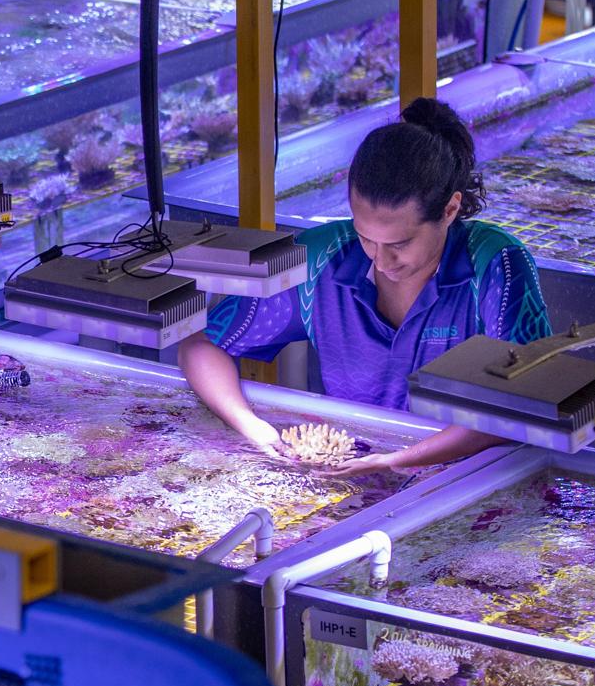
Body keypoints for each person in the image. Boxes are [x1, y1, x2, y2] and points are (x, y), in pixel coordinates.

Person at [178, 97, 552, 477]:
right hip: (349, 472)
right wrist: (252, 426)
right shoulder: (321, 258)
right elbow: (202, 344)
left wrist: (397, 460)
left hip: (465, 482)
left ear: (450, 210)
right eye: (365, 238)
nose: (380, 260)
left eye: (400, 244)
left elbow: (521, 401)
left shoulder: (495, 266)